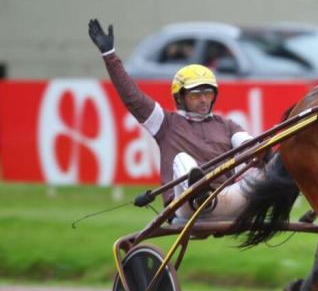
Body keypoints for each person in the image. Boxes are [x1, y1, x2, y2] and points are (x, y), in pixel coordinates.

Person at [88, 19, 257, 219]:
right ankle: (200, 194)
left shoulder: (227, 125)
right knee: (182, 160)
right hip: (186, 206)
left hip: (229, 200)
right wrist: (110, 56)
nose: (203, 100)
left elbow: (247, 143)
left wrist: (263, 153)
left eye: (208, 94)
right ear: (180, 97)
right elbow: (132, 98)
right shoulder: (166, 124)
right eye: (195, 95)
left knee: (261, 159)